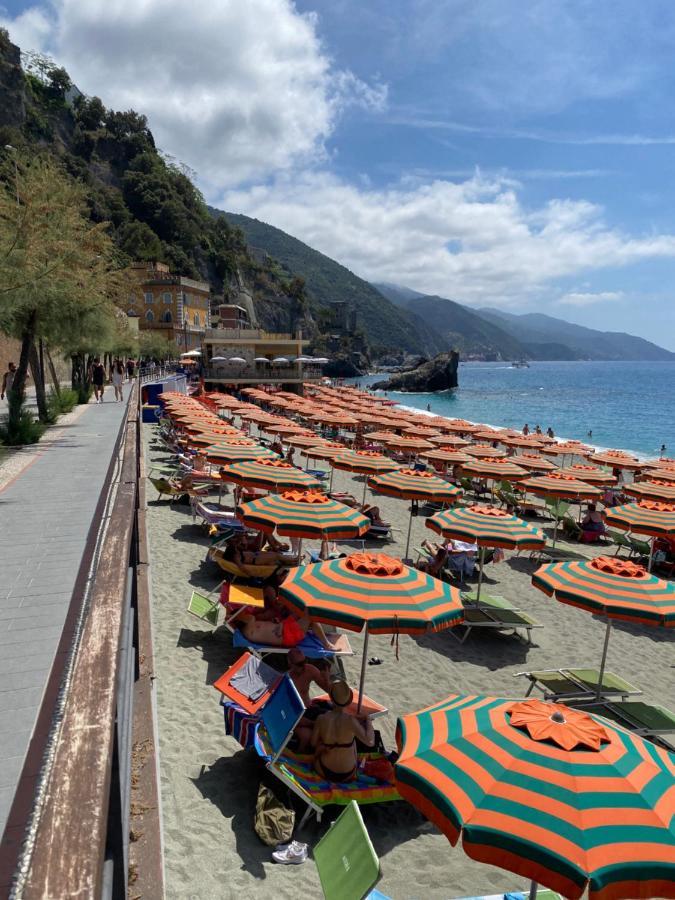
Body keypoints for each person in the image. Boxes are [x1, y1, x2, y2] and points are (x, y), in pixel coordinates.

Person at [311, 680, 374, 783]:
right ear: (348, 701)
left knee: (324, 743)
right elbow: (370, 742)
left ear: (331, 698)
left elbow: (313, 743)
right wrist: (368, 720)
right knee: (352, 741)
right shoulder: (350, 721)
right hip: (347, 773)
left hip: (324, 769)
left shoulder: (321, 718)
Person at [238, 610, 329, 649]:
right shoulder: (248, 631)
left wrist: (277, 624)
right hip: (287, 635)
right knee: (310, 617)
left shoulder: (251, 628)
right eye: (243, 614)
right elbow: (251, 617)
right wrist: (234, 616)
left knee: (300, 610)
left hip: (284, 627)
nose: (246, 613)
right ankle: (327, 645)